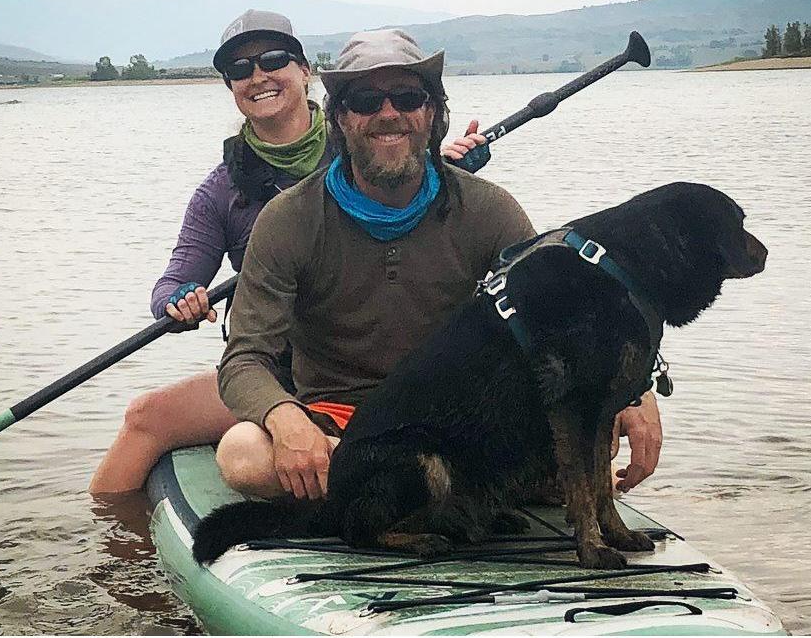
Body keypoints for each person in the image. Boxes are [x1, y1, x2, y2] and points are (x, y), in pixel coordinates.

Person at [214, 28, 663, 502]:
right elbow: (244, 359)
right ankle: (418, 488)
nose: (389, 115)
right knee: (242, 455)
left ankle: (413, 490)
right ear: (341, 119)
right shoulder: (288, 219)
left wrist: (635, 393)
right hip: (338, 422)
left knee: (600, 430)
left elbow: (563, 318)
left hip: (460, 420)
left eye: (408, 97)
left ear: (431, 114)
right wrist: (285, 419)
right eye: (366, 101)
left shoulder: (489, 209)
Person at [89, 14, 490, 494]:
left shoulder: (369, 142)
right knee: (146, 418)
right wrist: (178, 297)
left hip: (388, 366)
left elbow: (398, 154)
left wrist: (433, 163)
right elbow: (177, 280)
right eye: (240, 69)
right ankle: (110, 543)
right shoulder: (223, 192)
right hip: (280, 367)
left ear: (306, 72)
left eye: (274, 60)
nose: (258, 76)